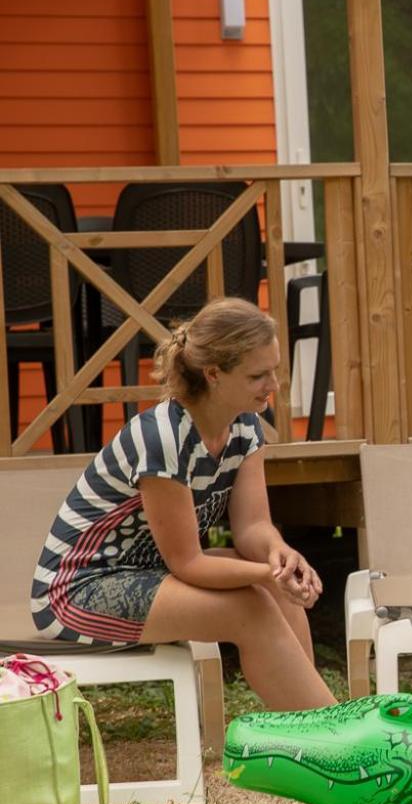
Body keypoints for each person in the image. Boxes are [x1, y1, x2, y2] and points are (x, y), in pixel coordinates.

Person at [30, 297, 336, 713]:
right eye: (258, 375)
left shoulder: (245, 427)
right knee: (251, 606)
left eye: (275, 370)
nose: (273, 385)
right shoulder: (163, 440)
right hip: (77, 591)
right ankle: (332, 731)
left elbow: (251, 529)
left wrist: (278, 556)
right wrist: (269, 573)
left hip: (147, 574)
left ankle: (315, 729)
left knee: (270, 587)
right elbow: (188, 563)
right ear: (213, 374)